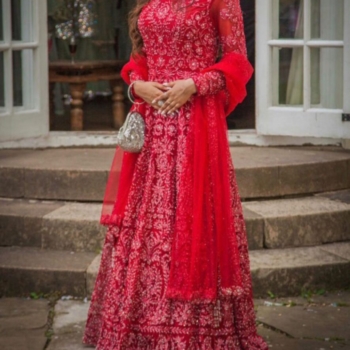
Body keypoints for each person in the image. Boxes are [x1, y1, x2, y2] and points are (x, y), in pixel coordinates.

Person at [83, 0, 269, 348]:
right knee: (148, 226)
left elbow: (237, 63)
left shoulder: (220, 2)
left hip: (195, 127)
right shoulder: (150, 1)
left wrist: (193, 85)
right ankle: (140, 329)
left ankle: (193, 334)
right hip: (152, 129)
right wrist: (137, 86)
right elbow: (140, 60)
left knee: (191, 219)